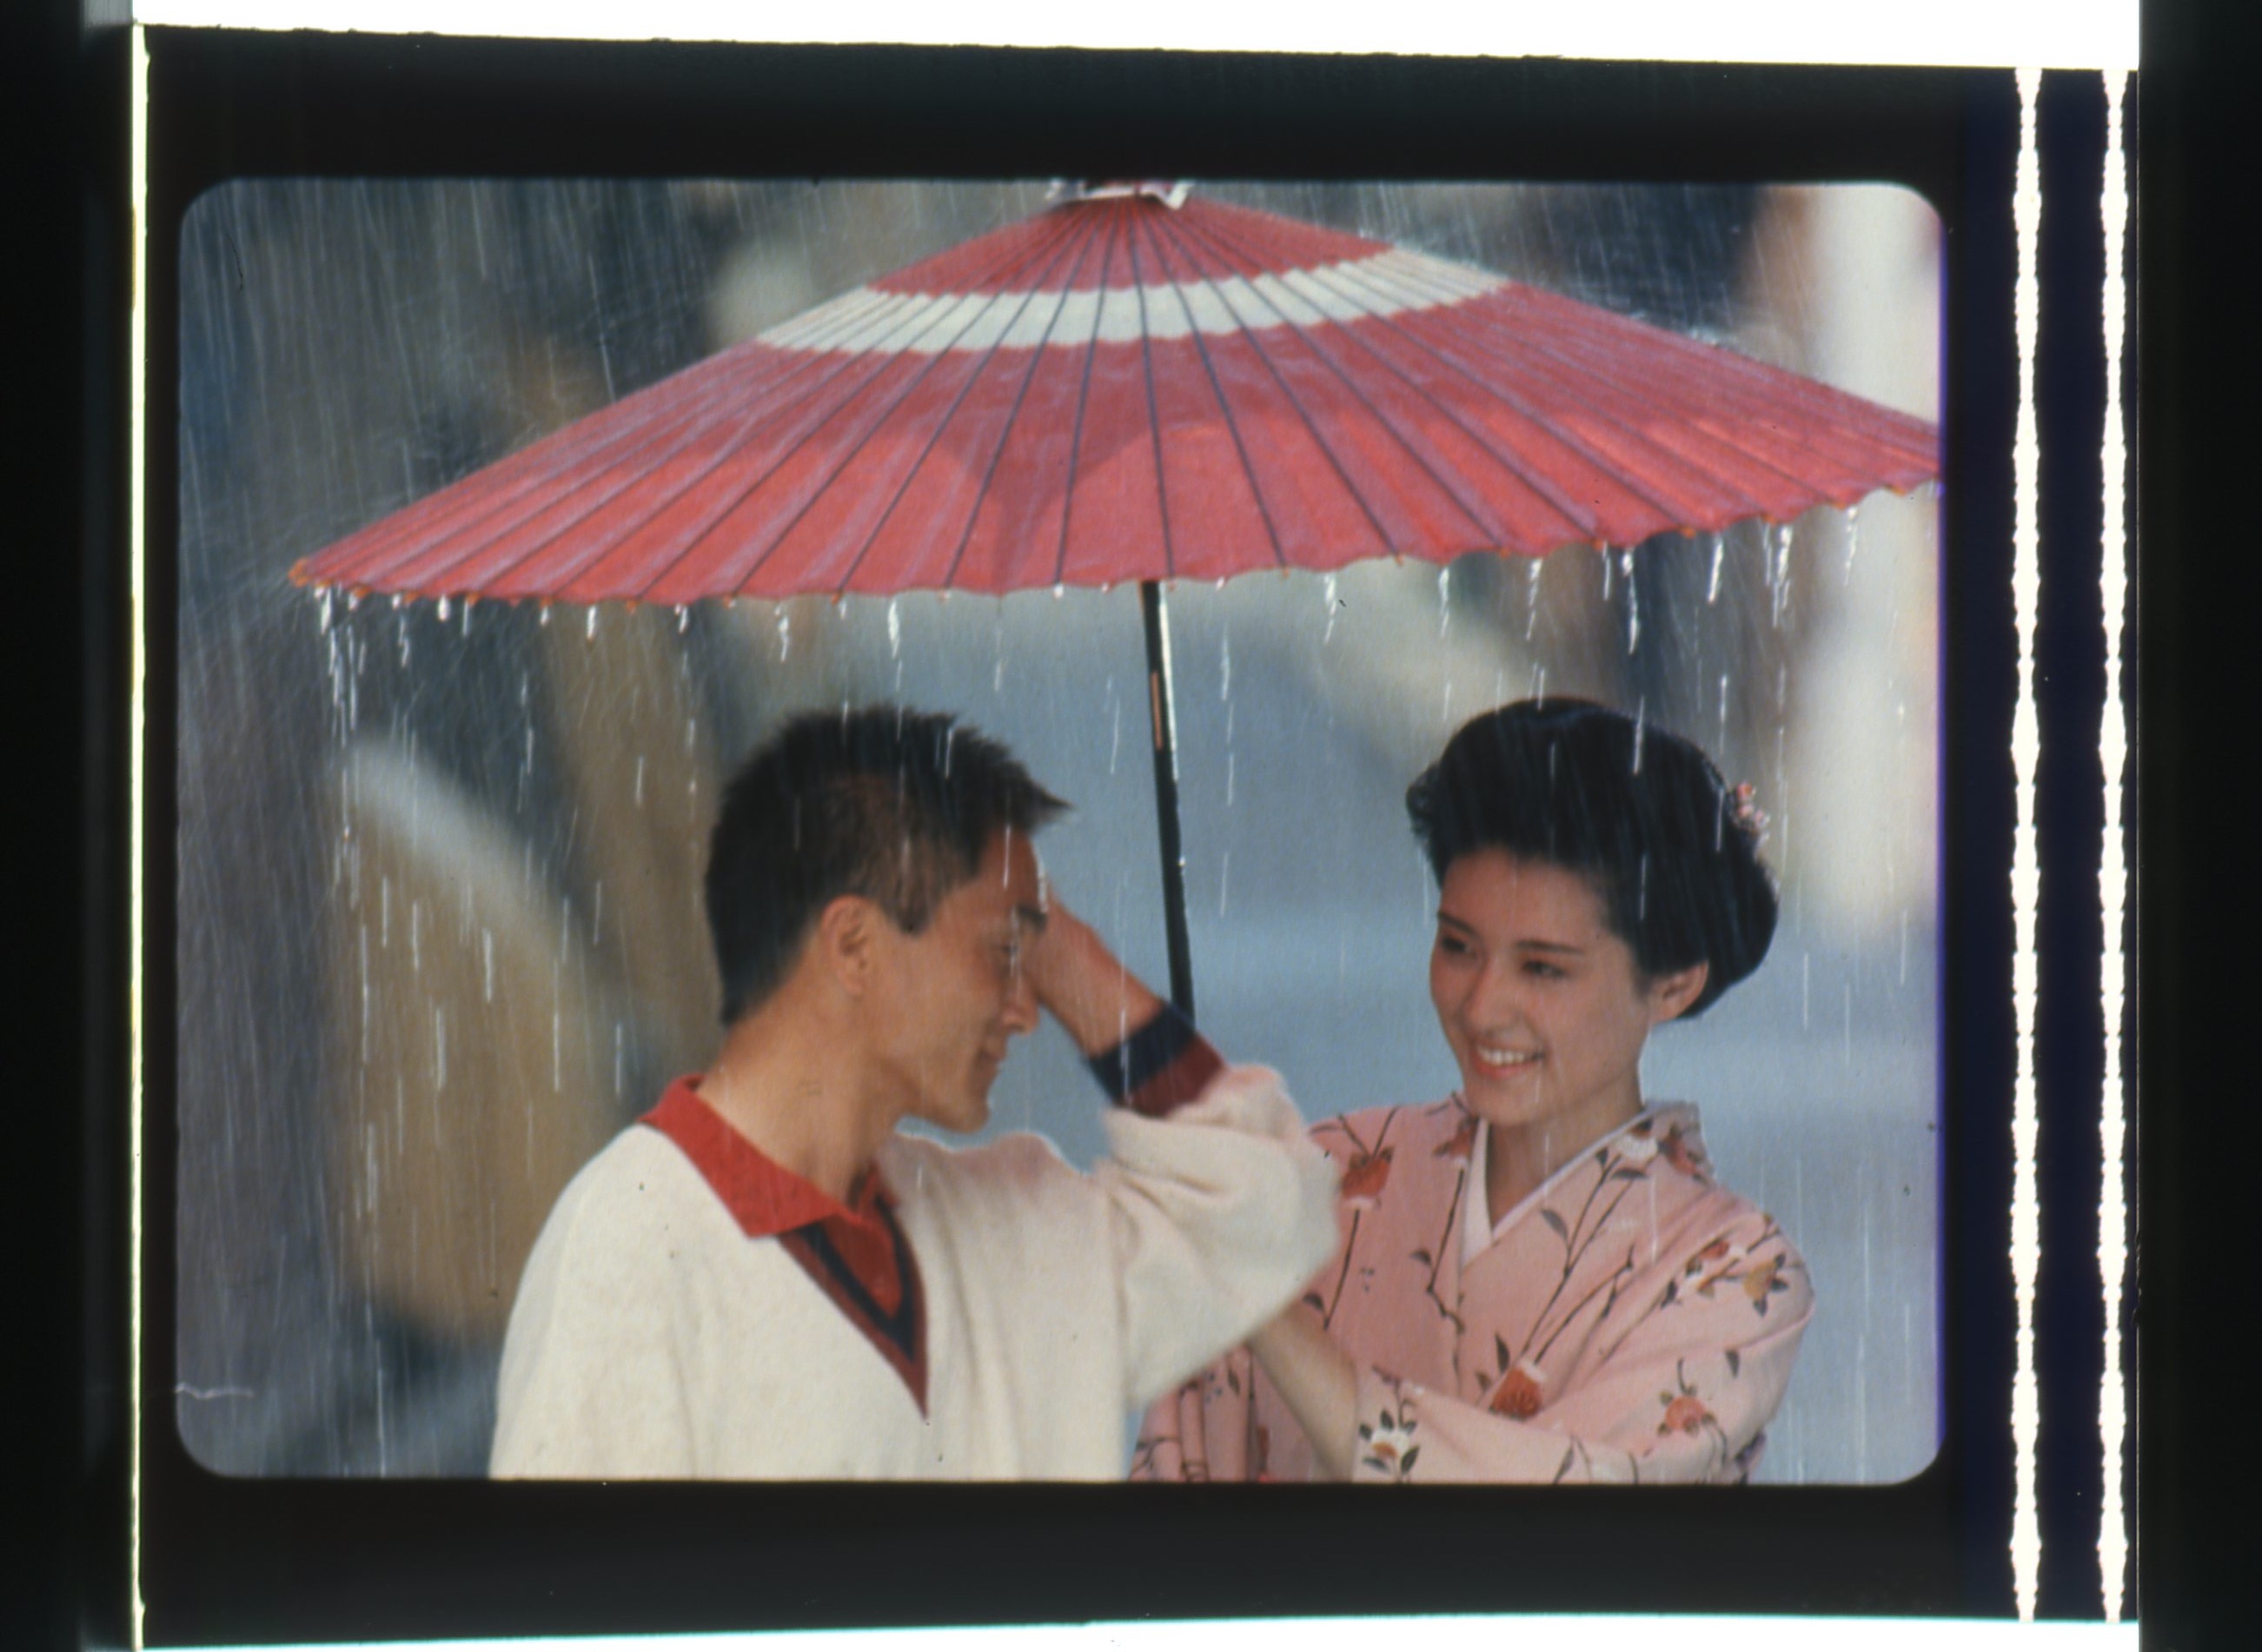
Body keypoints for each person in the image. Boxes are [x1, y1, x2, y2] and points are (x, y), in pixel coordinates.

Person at [491, 707, 1337, 1479]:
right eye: (1002, 954)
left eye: (1030, 960)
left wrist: (1049, 939)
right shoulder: (629, 1250)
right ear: (854, 945)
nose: (1026, 1009)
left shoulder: (1001, 1227)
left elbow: (1265, 1206)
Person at [1134, 699, 1812, 1484]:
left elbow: (1549, 1527)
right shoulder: (1322, 1173)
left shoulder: (1733, 1269)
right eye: (1458, 945)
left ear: (1672, 984)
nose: (1482, 1006)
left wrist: (1266, 1312)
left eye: (1542, 967)